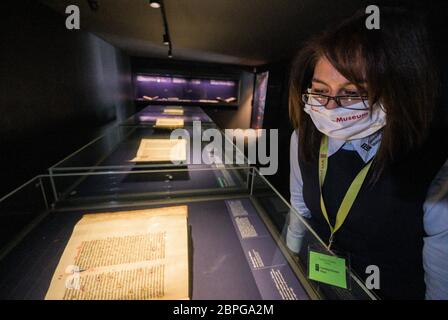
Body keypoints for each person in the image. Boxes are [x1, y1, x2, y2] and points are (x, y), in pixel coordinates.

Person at [286, 8, 448, 299]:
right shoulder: (303, 138)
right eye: (320, 91)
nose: (330, 108)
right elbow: (300, 209)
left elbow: (440, 277)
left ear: (396, 93)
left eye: (351, 94)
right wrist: (287, 262)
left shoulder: (432, 164)